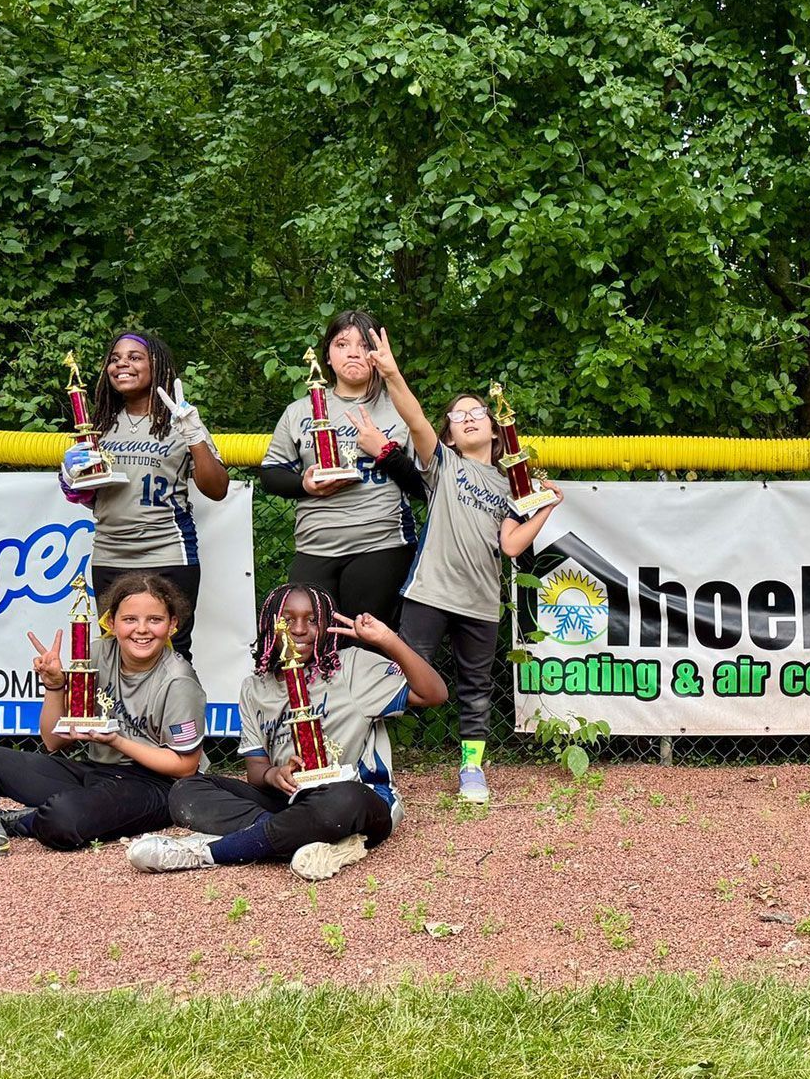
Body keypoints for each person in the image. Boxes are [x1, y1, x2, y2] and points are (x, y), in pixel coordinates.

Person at [127, 584, 446, 881]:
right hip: (289, 800)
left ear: (324, 627)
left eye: (312, 620)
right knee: (187, 790)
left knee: (342, 800)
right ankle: (299, 837)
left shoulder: (350, 667)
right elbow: (256, 769)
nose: (299, 629)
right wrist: (273, 774)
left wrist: (387, 639)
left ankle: (209, 852)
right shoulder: (255, 688)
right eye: (287, 620)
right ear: (270, 626)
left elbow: (434, 694)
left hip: (356, 796)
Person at [0, 573, 207, 866]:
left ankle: (12, 821)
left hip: (154, 785)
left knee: (62, 820)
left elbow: (184, 766)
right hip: (97, 771)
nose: (142, 629)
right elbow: (53, 740)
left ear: (172, 624)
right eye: (130, 619)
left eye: (155, 620)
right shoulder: (98, 654)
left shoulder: (178, 680)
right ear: (111, 622)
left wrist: (117, 741)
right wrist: (55, 685)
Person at [388, 388, 562, 805]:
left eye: (477, 412)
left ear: (494, 427)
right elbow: (414, 419)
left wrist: (546, 507)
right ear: (448, 434)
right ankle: (369, 758)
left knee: (476, 689)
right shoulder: (445, 464)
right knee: (401, 677)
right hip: (430, 592)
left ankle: (471, 768)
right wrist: (391, 371)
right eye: (456, 415)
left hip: (481, 602)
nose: (467, 418)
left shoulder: (513, 486)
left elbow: (512, 546)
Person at [62, 331, 228, 658]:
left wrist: (193, 434)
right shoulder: (98, 423)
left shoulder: (179, 419)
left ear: (157, 366)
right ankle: (122, 712)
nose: (122, 363)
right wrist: (69, 477)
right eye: (115, 358)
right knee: (115, 652)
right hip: (111, 552)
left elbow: (217, 488)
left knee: (172, 651)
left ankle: (179, 711)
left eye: (135, 357)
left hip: (167, 551)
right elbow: (89, 495)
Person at [260, 311, 421, 623]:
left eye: (364, 345)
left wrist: (386, 453)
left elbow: (426, 486)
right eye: (342, 344)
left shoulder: (400, 409)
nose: (353, 352)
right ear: (328, 357)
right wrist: (303, 485)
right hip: (315, 545)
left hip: (381, 542)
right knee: (310, 642)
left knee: (366, 644)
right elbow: (270, 475)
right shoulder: (299, 411)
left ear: (378, 355)